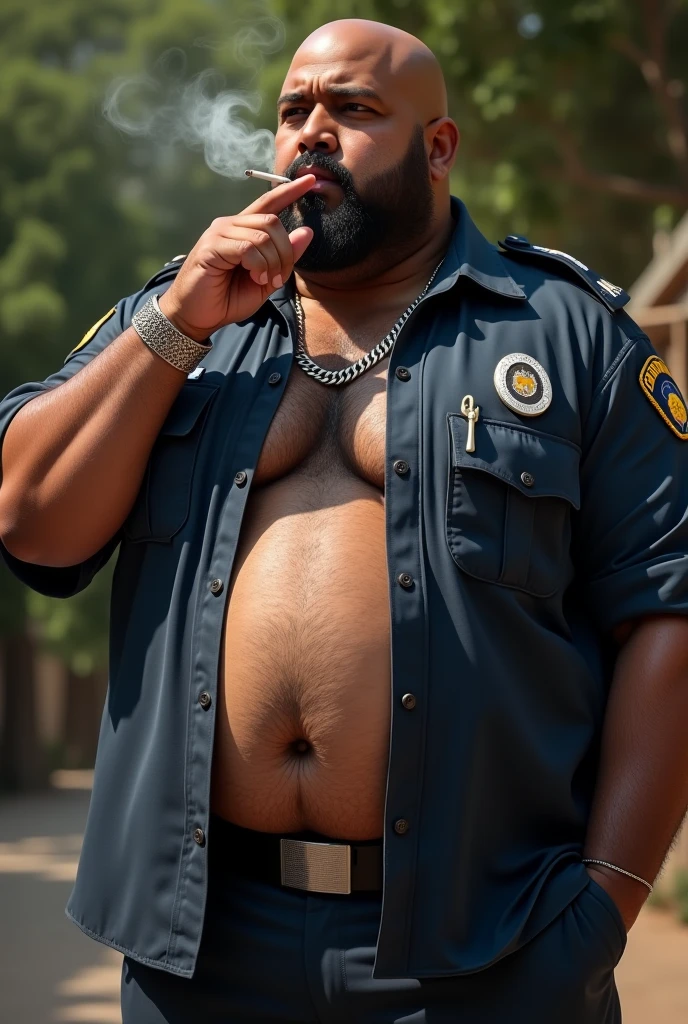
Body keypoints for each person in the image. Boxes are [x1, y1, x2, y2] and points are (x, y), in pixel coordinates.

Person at [1, 17, 688, 1024]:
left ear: (439, 147)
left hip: (481, 949)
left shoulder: (568, 333)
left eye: (354, 109)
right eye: (293, 112)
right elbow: (30, 519)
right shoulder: (181, 321)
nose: (312, 132)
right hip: (204, 950)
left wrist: (604, 905)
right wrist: (180, 321)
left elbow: (667, 615)